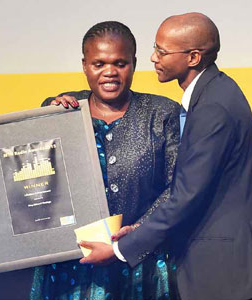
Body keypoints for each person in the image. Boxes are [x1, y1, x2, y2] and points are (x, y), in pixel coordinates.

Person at [81, 13, 252, 300]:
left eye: (162, 52)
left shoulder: (212, 107)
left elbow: (185, 196)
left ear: (192, 57)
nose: (154, 57)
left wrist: (120, 249)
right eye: (155, 48)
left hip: (222, 266)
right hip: (224, 258)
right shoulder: (217, 92)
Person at [30, 21, 181, 300]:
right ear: (85, 65)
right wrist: (48, 122)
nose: (109, 72)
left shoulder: (163, 114)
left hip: (140, 265)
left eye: (120, 63)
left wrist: (134, 236)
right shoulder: (62, 111)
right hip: (71, 268)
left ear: (134, 64)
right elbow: (37, 179)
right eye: (99, 63)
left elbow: (177, 188)